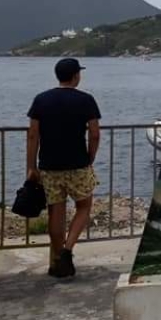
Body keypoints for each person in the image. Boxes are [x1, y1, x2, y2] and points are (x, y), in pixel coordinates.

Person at [25, 58, 101, 278]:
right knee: (84, 207)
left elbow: (33, 135)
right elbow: (94, 134)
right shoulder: (86, 100)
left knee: (55, 211)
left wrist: (31, 166)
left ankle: (59, 260)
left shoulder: (41, 100)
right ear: (76, 76)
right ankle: (68, 250)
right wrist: (90, 157)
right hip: (78, 164)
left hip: (49, 166)